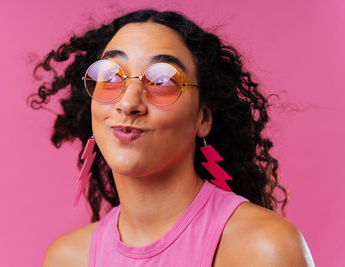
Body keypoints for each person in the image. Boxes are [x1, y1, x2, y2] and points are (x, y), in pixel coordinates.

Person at [29, 9, 314, 266]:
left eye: (163, 81)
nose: (128, 103)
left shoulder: (264, 249)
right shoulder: (66, 258)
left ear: (203, 118)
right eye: (110, 77)